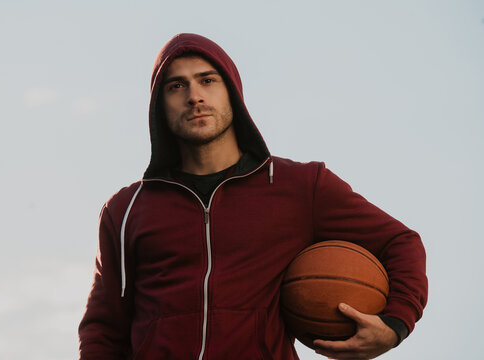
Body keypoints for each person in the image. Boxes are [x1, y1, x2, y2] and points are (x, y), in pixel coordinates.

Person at [78, 33, 427, 360]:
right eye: (176, 85)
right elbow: (104, 329)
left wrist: (396, 324)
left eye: (207, 80)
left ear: (232, 91)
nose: (194, 96)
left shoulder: (300, 186)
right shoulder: (125, 210)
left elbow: (400, 241)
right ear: (159, 105)